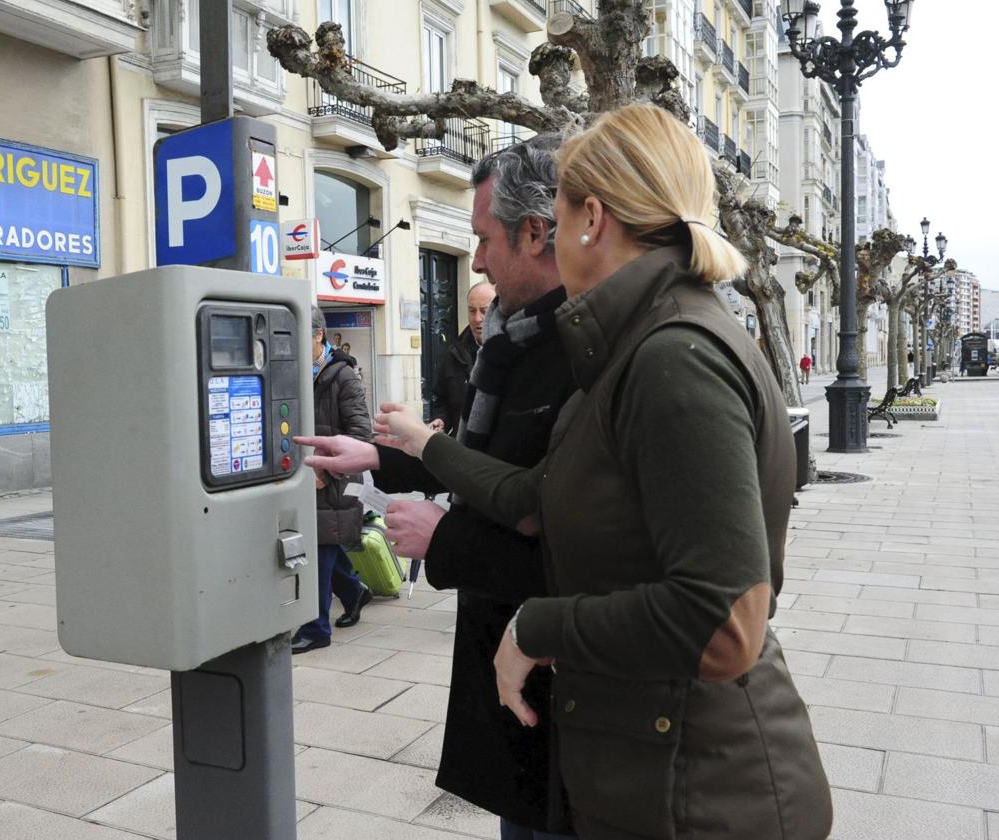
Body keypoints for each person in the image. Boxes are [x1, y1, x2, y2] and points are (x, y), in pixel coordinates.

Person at [367, 103, 832, 839]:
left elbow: (722, 621)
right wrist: (426, 447)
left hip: (700, 791)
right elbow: (538, 494)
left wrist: (536, 625)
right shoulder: (633, 342)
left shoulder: (674, 357)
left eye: (557, 212)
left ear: (590, 218)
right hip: (645, 769)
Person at [297, 135, 577, 839]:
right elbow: (479, 461)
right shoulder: (512, 342)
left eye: (484, 240)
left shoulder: (579, 352)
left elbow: (577, 540)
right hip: (508, 654)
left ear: (537, 233)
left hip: (558, 674)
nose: (475, 261)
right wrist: (374, 457)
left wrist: (443, 537)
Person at [291, 307, 373, 654]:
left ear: (319, 335)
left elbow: (361, 434)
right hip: (304, 473)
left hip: (332, 478)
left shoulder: (342, 377)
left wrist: (326, 470)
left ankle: (316, 627)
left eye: (300, 338)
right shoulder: (296, 372)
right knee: (327, 544)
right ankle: (355, 592)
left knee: (321, 545)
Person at [430, 281, 498, 435]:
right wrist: (441, 420)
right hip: (462, 449)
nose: (477, 318)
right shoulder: (453, 354)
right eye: (472, 311)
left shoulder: (515, 349)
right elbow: (441, 399)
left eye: (484, 311)